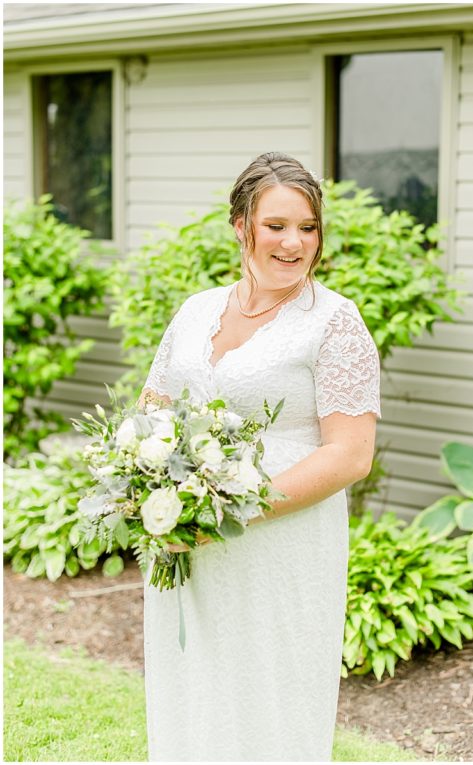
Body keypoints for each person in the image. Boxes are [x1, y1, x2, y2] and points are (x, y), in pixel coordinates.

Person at [139, 152, 380, 761]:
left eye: (308, 227)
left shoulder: (334, 323)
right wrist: (152, 492)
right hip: (186, 538)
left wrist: (231, 512)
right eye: (276, 225)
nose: (294, 243)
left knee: (270, 691)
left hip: (282, 541)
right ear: (241, 225)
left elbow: (351, 456)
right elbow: (152, 410)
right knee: (191, 680)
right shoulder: (197, 311)